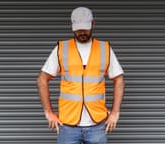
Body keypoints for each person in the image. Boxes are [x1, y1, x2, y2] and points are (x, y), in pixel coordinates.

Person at [37, 6, 125, 144]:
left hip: (97, 125)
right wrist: (48, 113)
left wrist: (115, 113)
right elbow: (42, 79)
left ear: (93, 24)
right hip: (67, 126)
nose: (82, 32)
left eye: (85, 27)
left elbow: (118, 79)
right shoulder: (62, 48)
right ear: (72, 25)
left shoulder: (104, 48)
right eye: (78, 28)